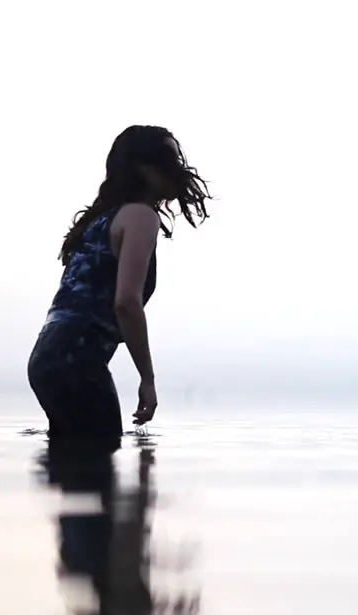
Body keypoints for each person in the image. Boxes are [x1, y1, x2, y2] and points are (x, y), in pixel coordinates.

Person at [27, 125, 211, 447]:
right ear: (142, 167)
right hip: (79, 360)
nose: (178, 168)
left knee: (76, 473)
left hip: (46, 357)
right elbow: (126, 302)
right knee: (99, 460)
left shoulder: (100, 220)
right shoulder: (140, 216)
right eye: (168, 158)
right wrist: (148, 380)